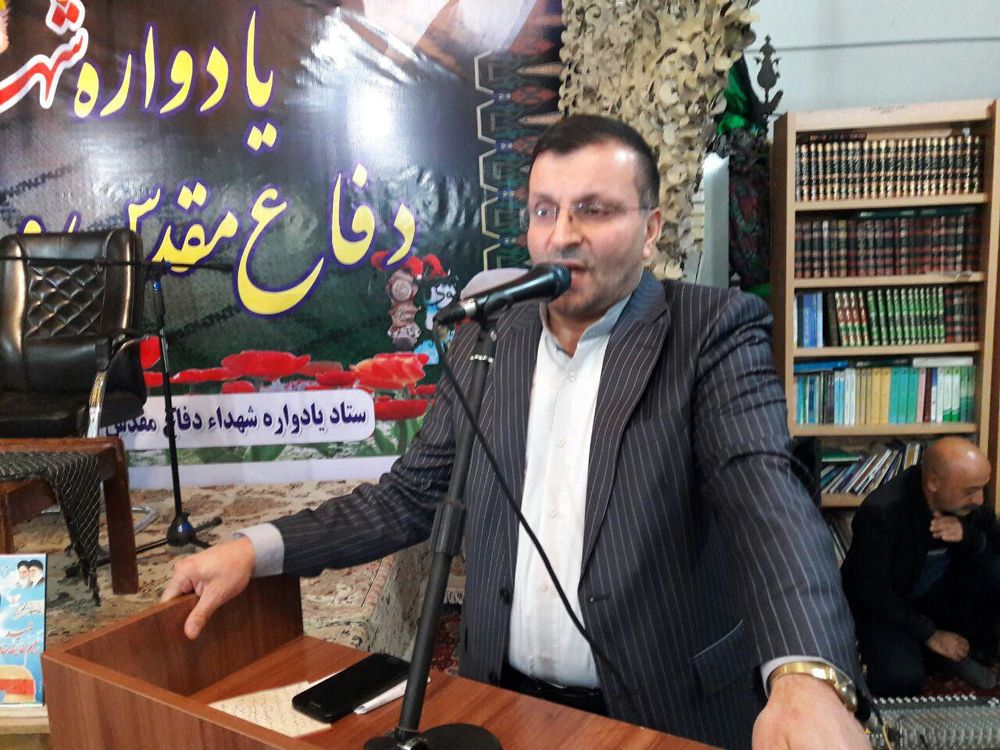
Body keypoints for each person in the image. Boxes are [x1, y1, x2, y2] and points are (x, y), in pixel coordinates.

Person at [163, 114, 867, 750]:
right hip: (501, 706)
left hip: (659, 716)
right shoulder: (488, 336)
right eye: (545, 210)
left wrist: (806, 676)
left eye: (595, 209)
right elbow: (410, 496)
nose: (563, 234)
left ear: (652, 229)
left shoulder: (711, 332)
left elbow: (764, 497)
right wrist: (255, 549)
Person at [841, 437, 1000, 695]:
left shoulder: (971, 498)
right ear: (934, 482)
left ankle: (959, 652)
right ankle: (934, 654)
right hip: (890, 609)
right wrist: (930, 634)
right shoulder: (882, 511)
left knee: (992, 568)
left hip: (940, 598)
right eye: (970, 491)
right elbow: (873, 593)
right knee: (900, 677)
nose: (980, 499)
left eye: (983, 488)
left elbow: (993, 544)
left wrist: (967, 535)